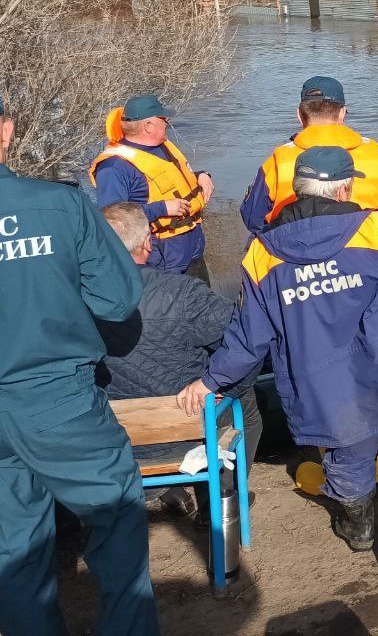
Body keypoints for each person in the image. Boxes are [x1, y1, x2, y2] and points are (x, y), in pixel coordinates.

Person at [179, 146, 378, 579]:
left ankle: (359, 529)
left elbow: (249, 336)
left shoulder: (261, 254)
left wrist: (211, 380)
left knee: (348, 451)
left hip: (327, 379)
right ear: (347, 186)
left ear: (296, 191)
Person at [0, 83, 157, 635]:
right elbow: (117, 297)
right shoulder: (59, 204)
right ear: (8, 131)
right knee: (119, 520)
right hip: (60, 401)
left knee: (10, 553)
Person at [98, 201, 263, 517]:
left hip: (116, 437)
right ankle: (221, 499)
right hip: (189, 429)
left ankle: (167, 489)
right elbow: (245, 341)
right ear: (148, 243)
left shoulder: (72, 299)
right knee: (246, 402)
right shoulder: (184, 292)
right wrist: (219, 387)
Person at [240, 76, 378, 234]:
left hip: (297, 256)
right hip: (371, 253)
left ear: (299, 115)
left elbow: (253, 219)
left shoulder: (278, 161)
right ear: (342, 113)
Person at [89, 93, 212, 279]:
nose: (168, 122)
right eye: (163, 118)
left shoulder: (162, 145)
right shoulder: (114, 168)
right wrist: (161, 208)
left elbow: (169, 179)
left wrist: (201, 176)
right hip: (162, 262)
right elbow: (113, 220)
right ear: (148, 126)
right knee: (171, 308)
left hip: (192, 250)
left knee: (204, 305)